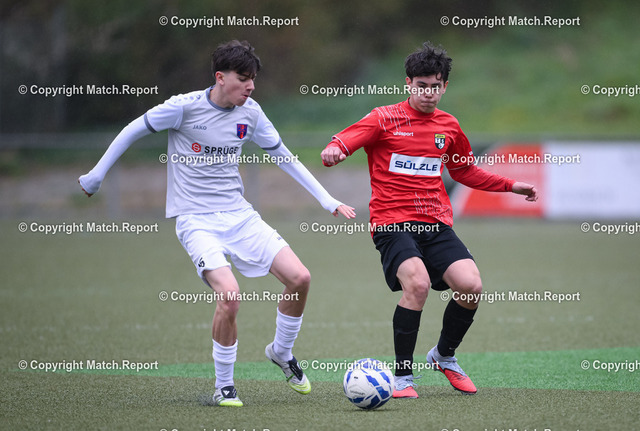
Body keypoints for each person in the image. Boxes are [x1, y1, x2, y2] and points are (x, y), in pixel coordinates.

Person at [79, 40, 355, 407]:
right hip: (196, 220)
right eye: (243, 79)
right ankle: (224, 385)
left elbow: (283, 156)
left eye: (253, 79)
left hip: (240, 216)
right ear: (220, 78)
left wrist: (326, 199)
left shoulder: (251, 114)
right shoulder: (183, 107)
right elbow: (133, 129)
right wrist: (97, 174)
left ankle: (281, 352)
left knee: (300, 278)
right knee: (230, 296)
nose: (250, 86)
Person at [321, 42, 537, 398]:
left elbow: (465, 171)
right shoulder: (384, 118)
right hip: (392, 223)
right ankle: (403, 376)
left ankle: (443, 356)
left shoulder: (448, 125)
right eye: (421, 85)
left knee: (471, 286)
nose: (428, 93)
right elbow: (346, 139)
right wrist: (335, 149)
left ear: (444, 86)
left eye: (435, 86)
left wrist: (510, 185)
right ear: (408, 83)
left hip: (435, 223)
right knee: (418, 284)